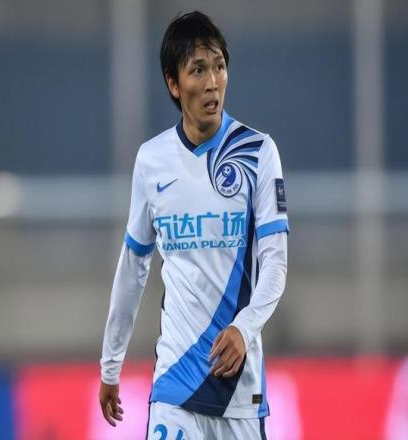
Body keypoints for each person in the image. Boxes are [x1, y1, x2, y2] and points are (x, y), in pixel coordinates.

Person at [99, 10, 288, 439]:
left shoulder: (257, 153)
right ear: (173, 83)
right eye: (198, 70)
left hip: (238, 391)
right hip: (175, 384)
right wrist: (111, 364)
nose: (212, 82)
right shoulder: (152, 161)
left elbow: (275, 265)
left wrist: (244, 327)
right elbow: (133, 268)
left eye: (219, 67)